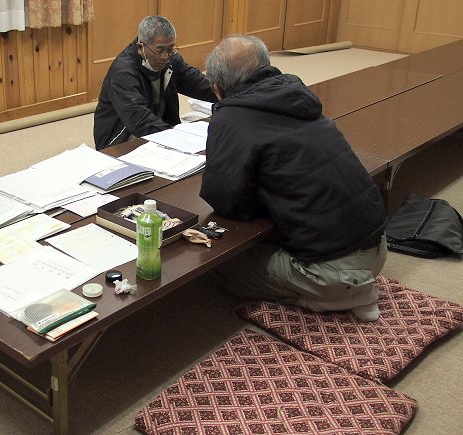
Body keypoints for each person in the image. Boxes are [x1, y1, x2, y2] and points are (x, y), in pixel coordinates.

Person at [200, 35, 387, 322]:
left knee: (219, 263)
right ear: (266, 66)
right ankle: (343, 288)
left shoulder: (231, 118)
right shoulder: (297, 94)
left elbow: (227, 202)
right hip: (379, 247)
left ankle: (331, 297)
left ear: (217, 88)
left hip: (330, 271)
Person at [93, 15, 217, 150]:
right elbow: (140, 121)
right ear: (140, 47)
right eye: (159, 51)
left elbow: (200, 84)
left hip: (160, 130)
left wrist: (230, 97)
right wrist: (177, 138)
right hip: (122, 141)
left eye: (170, 49)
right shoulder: (123, 73)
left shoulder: (171, 60)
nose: (165, 57)